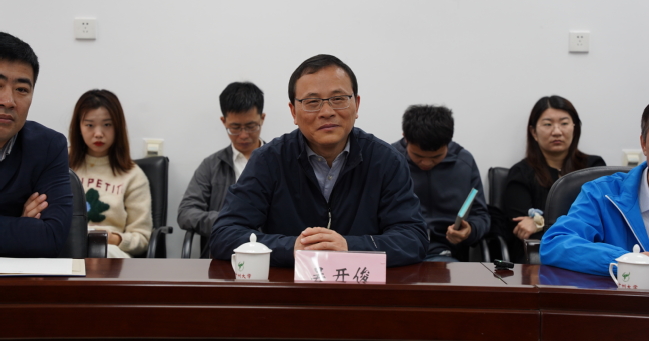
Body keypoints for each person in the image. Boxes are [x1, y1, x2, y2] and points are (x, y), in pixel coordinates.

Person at [210, 54, 428, 267]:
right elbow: (224, 235)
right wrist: (293, 248)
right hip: (290, 286)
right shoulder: (268, 160)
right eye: (312, 102)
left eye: (338, 99)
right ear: (293, 112)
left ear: (357, 104)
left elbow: (413, 238)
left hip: (361, 286)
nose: (327, 112)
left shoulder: (386, 160)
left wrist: (349, 247)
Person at [541, 104, 649, 276]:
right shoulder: (601, 193)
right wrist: (629, 262)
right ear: (644, 144)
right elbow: (555, 244)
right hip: (618, 293)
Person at [503, 95, 605, 263]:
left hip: (588, 254)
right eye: (548, 124)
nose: (557, 131)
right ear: (534, 132)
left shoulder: (594, 167)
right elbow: (523, 229)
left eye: (564, 123)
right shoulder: (521, 173)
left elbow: (601, 219)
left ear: (575, 128)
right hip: (540, 258)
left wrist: (539, 223)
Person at [0, 32, 72, 257]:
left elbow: (50, 237)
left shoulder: (48, 146)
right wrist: (20, 225)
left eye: (22, 89)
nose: (9, 101)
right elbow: (33, 237)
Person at [177, 82, 266, 258]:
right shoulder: (211, 166)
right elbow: (186, 212)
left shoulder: (278, 160)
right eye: (235, 128)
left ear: (262, 119)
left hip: (269, 251)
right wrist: (228, 223)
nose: (243, 135)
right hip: (222, 255)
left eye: (251, 126)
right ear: (223, 121)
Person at [392, 105, 490, 262]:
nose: (426, 163)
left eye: (436, 157)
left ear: (448, 142)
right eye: (418, 156)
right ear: (405, 137)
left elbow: (480, 215)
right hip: (397, 251)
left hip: (444, 253)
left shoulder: (464, 162)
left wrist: (470, 230)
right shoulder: (390, 160)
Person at [68, 89, 152, 258]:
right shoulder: (61, 164)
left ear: (118, 127)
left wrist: (113, 238)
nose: (98, 134)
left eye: (107, 125)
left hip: (109, 252)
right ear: (78, 127)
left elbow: (142, 238)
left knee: (98, 254)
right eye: (90, 125)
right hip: (66, 245)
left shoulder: (133, 175)